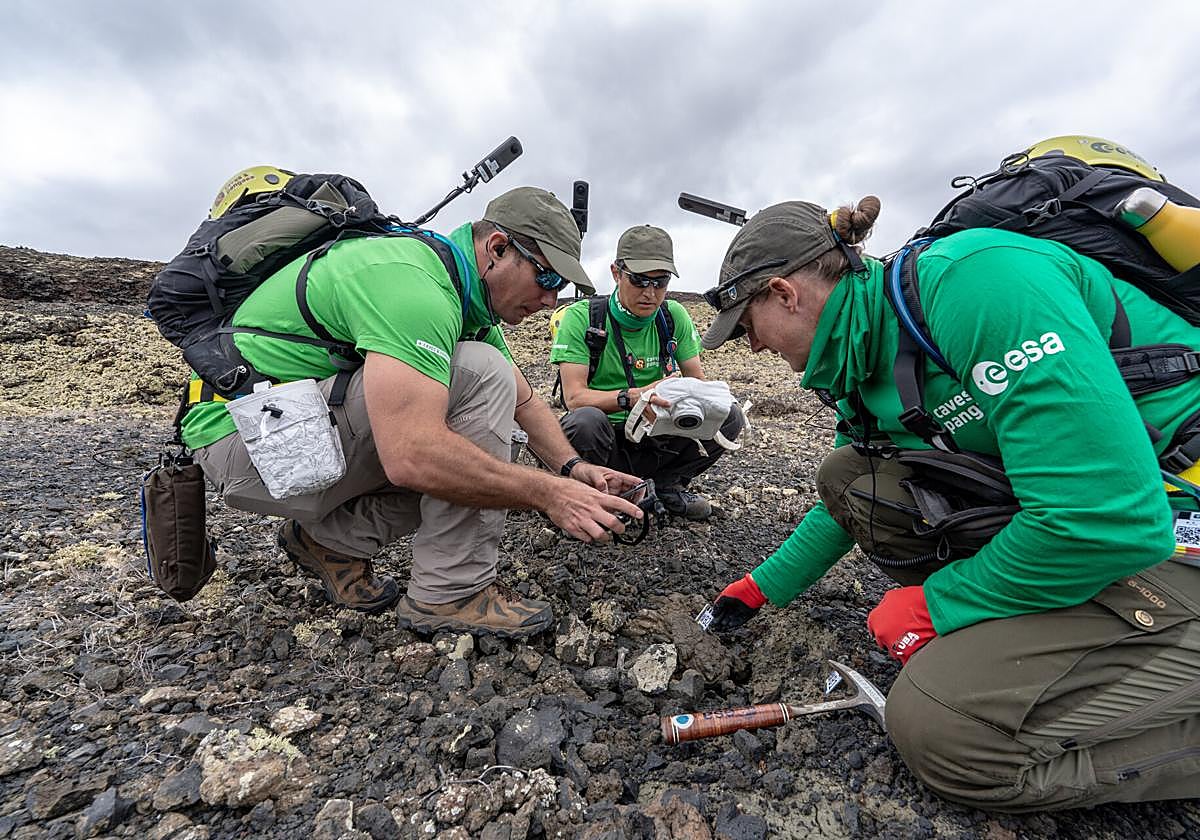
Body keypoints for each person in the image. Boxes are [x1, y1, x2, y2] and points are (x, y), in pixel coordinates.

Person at [699, 196, 1200, 811]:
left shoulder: (977, 283)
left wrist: (939, 605)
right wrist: (758, 588)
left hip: (1171, 519)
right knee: (853, 475)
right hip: (1090, 516)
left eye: (746, 328)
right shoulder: (864, 356)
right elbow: (843, 501)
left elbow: (1109, 518)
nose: (750, 349)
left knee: (945, 735)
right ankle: (1040, 625)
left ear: (784, 293)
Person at [181, 185, 645, 637]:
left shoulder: (463, 293)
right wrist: (550, 495)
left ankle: (328, 543)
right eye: (546, 277)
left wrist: (573, 469)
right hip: (248, 446)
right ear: (498, 248)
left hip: (280, 438)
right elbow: (413, 457)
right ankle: (452, 592)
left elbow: (524, 399)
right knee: (477, 389)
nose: (551, 299)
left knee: (483, 438)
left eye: (559, 286)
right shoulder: (415, 286)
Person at [550, 224, 743, 521]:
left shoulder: (673, 315)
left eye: (660, 282)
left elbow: (697, 382)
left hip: (657, 431)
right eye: (639, 281)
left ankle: (668, 485)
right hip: (607, 439)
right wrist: (635, 398)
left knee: (728, 414)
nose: (650, 293)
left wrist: (681, 399)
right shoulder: (582, 318)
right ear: (616, 273)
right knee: (584, 422)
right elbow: (575, 398)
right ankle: (597, 495)